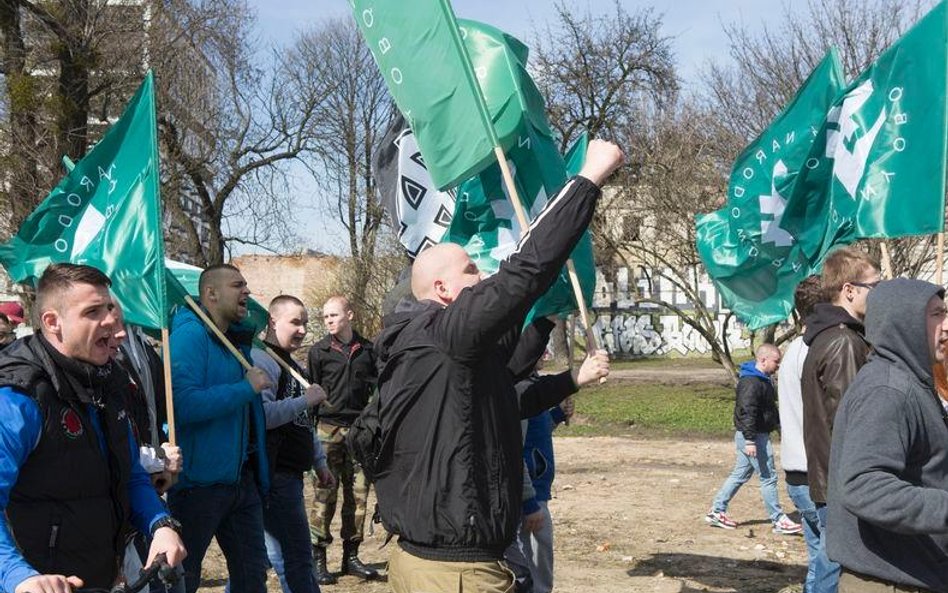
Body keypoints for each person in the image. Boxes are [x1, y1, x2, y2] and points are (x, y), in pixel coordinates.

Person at [372, 139, 623, 592]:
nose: (483, 275)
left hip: (423, 562)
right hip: (456, 575)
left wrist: (561, 358)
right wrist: (588, 178)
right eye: (472, 270)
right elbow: (526, 270)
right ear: (444, 289)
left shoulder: (428, 348)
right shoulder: (446, 335)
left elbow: (504, 387)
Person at [0, 263, 186, 593]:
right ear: (52, 322)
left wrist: (160, 524)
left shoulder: (109, 383)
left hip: (106, 577)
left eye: (109, 308)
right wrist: (18, 577)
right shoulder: (18, 396)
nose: (111, 321)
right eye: (93, 311)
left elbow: (130, 474)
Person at [827, 279, 948, 592]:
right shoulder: (888, 389)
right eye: (936, 314)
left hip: (911, 571)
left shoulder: (909, 382)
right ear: (902, 321)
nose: (946, 325)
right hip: (890, 580)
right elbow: (864, 486)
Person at [168, 263, 272, 593]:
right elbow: (182, 405)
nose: (247, 292)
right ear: (210, 293)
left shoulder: (234, 342)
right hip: (198, 487)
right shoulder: (190, 334)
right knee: (183, 578)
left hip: (239, 481)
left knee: (252, 574)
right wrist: (244, 389)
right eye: (237, 285)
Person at [801, 246, 880, 593]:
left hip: (834, 479)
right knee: (836, 572)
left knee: (830, 566)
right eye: (874, 287)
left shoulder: (834, 336)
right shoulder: (844, 343)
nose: (880, 293)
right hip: (844, 483)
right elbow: (853, 424)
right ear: (849, 290)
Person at [506, 353, 609, 593]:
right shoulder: (520, 390)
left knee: (537, 567)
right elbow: (514, 452)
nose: (547, 354)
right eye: (541, 349)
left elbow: (535, 434)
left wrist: (557, 416)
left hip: (536, 493)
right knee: (534, 572)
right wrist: (529, 502)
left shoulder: (531, 386)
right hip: (529, 499)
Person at [250, 295, 333, 593]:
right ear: (273, 322)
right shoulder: (261, 359)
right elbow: (263, 416)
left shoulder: (293, 365)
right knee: (296, 560)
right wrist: (304, 399)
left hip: (292, 476)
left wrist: (319, 462)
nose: (302, 330)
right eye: (295, 322)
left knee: (277, 559)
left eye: (305, 324)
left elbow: (304, 424)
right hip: (275, 474)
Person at [307, 296, 379, 583]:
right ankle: (318, 560)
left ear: (349, 314)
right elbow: (310, 393)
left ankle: (351, 556)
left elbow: (377, 393)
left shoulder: (369, 350)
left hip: (359, 432)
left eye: (334, 315)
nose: (329, 320)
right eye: (325, 317)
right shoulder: (318, 351)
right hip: (327, 430)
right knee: (325, 495)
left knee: (358, 495)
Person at [706, 344, 802, 535]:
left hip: (755, 434)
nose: (778, 365)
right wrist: (750, 440)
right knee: (769, 478)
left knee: (740, 474)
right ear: (763, 359)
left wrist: (779, 427)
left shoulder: (763, 380)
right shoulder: (751, 382)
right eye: (776, 361)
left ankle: (717, 511)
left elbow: (767, 409)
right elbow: (746, 411)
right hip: (753, 436)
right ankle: (778, 520)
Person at [777, 276, 824, 593]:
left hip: (798, 472)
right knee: (830, 562)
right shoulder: (814, 351)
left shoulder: (794, 349)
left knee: (818, 558)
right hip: (815, 474)